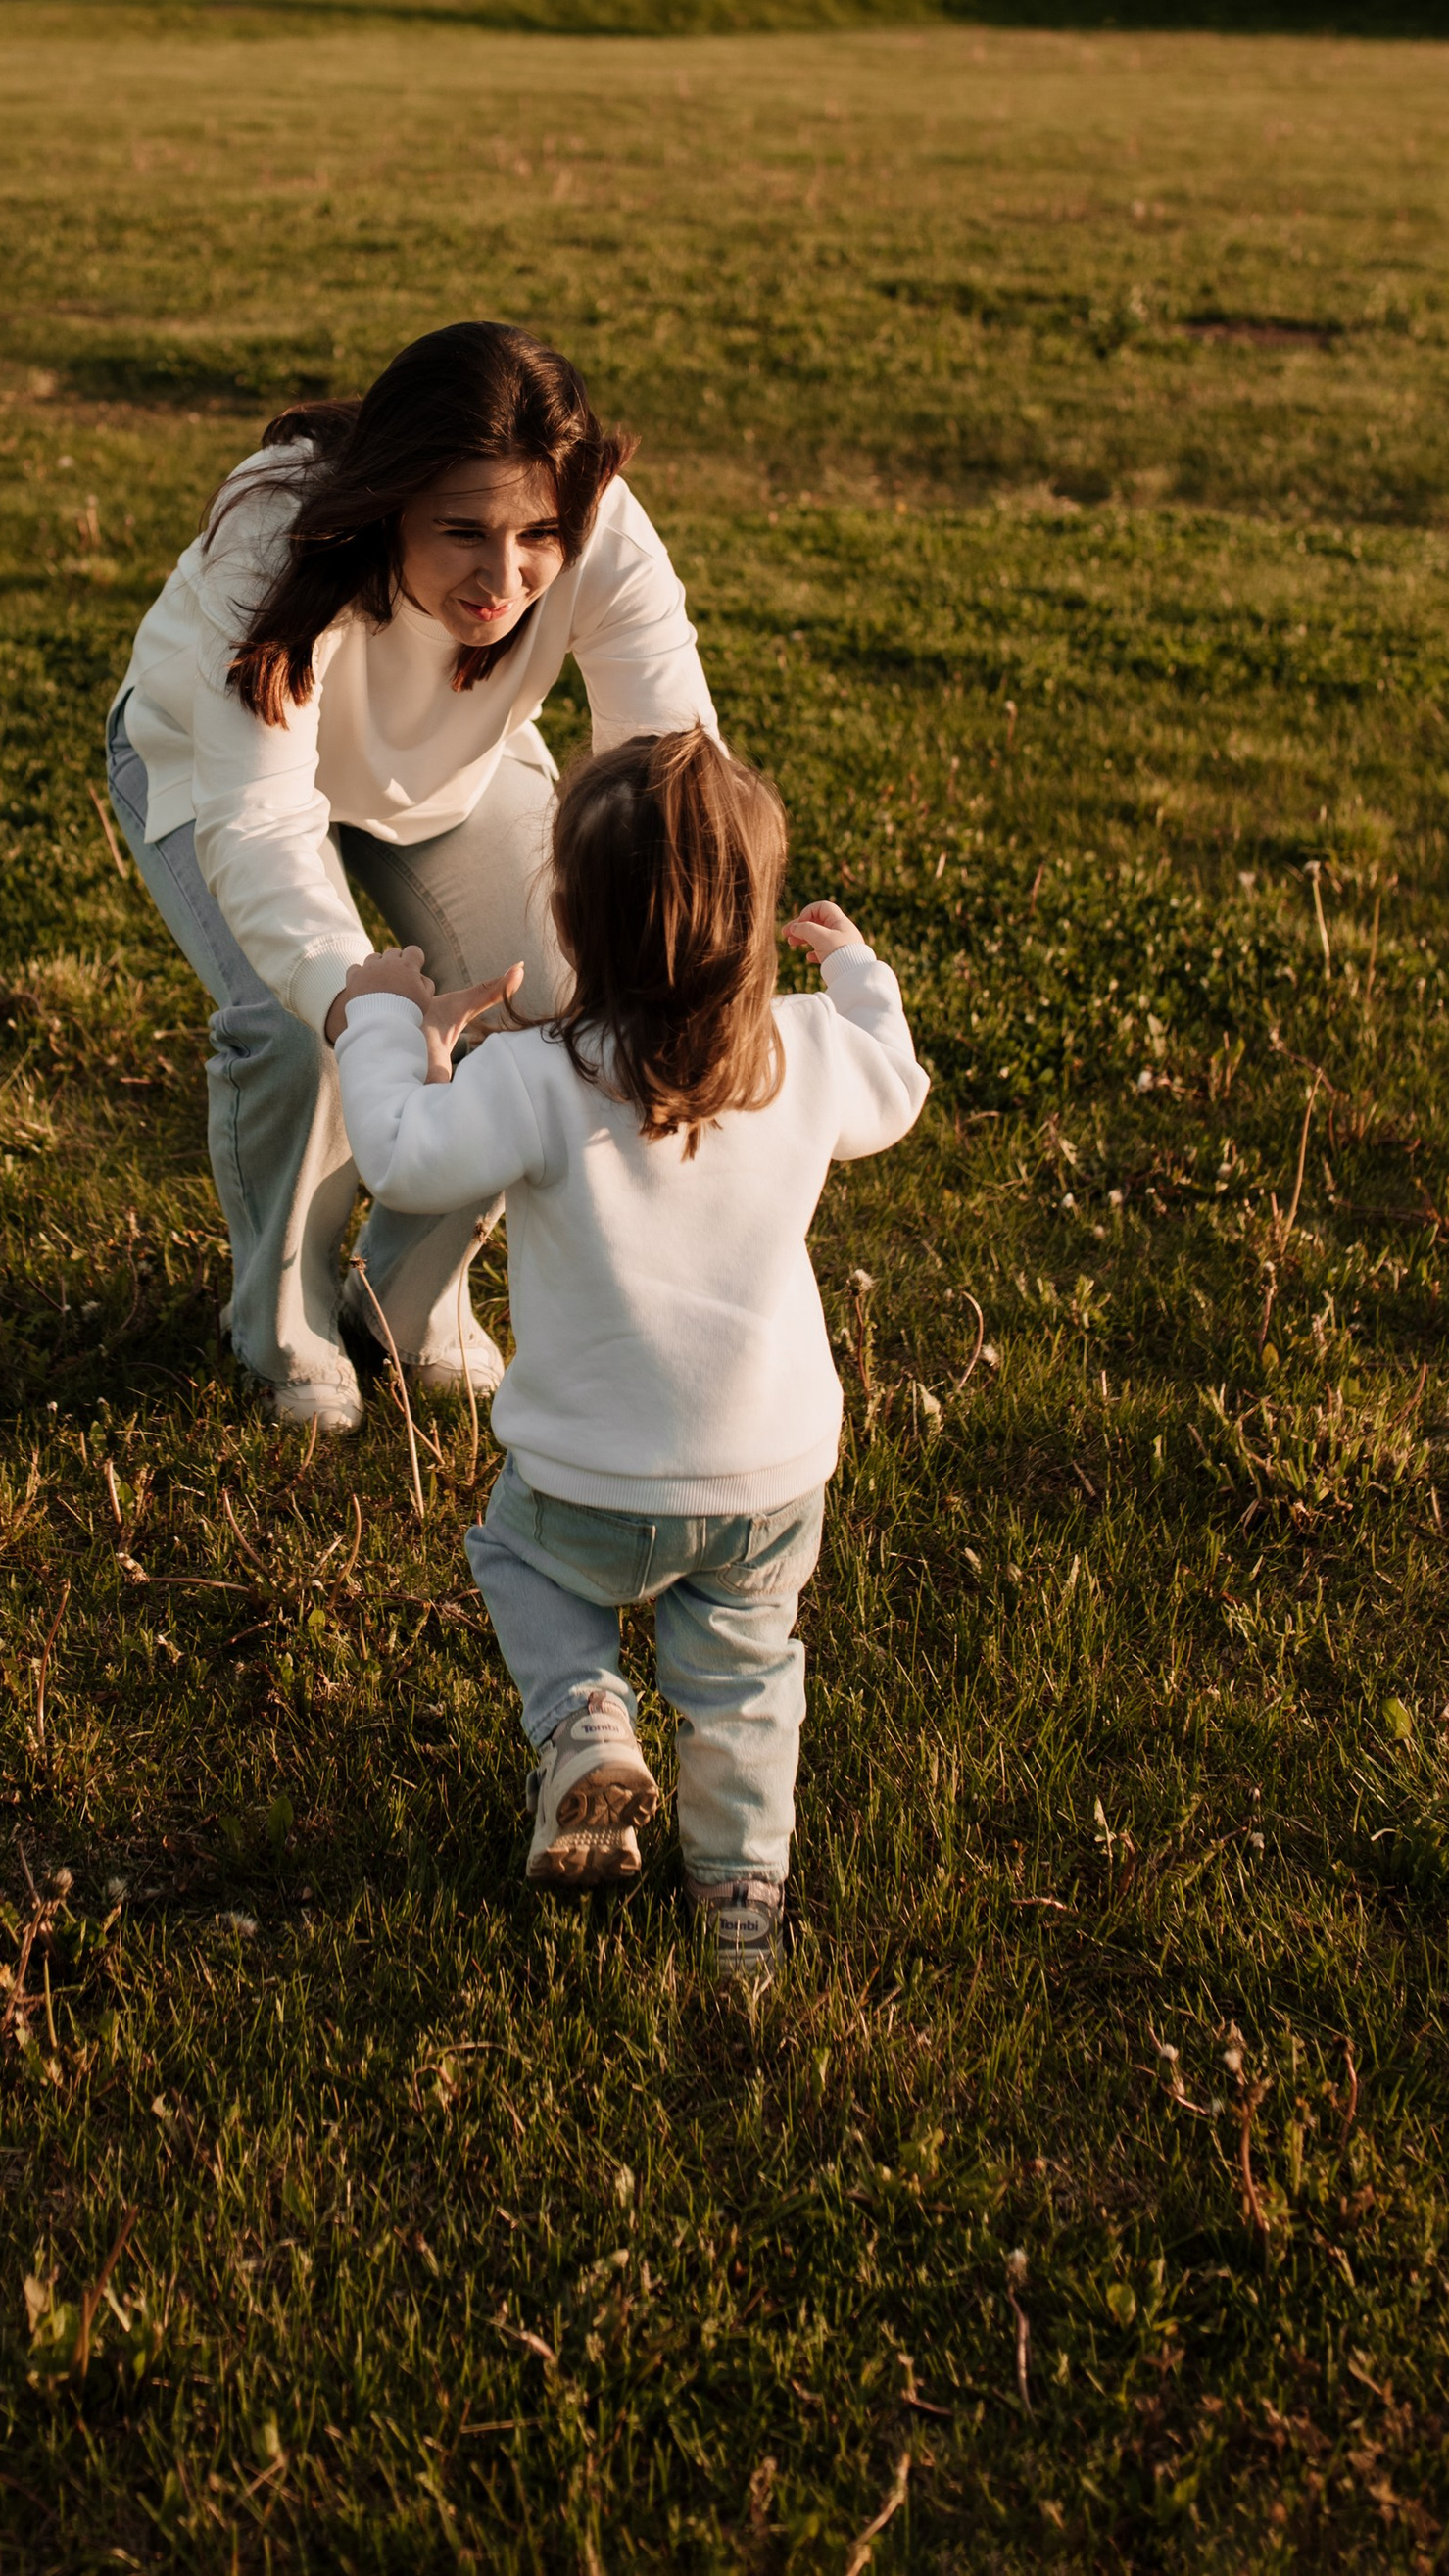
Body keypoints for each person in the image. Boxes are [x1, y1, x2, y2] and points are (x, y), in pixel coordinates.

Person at [330, 727, 929, 1981]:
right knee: (744, 1675)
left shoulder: (535, 1075)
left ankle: (585, 1718)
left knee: (519, 1560)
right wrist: (857, 969)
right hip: (767, 1478)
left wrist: (388, 1020)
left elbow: (402, 1154)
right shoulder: (807, 1052)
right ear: (753, 928)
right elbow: (895, 1080)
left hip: (587, 1480)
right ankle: (740, 1901)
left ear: (567, 921)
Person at [105, 320, 716, 1435]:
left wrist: (677, 960)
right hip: (211, 765)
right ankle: (283, 1332)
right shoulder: (275, 532)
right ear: (390, 503)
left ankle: (403, 1301)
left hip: (448, 776)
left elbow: (663, 782)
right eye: (462, 531)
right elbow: (260, 815)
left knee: (558, 1001)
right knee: (299, 1034)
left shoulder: (604, 531)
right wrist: (355, 1002)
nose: (504, 576)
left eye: (537, 535)